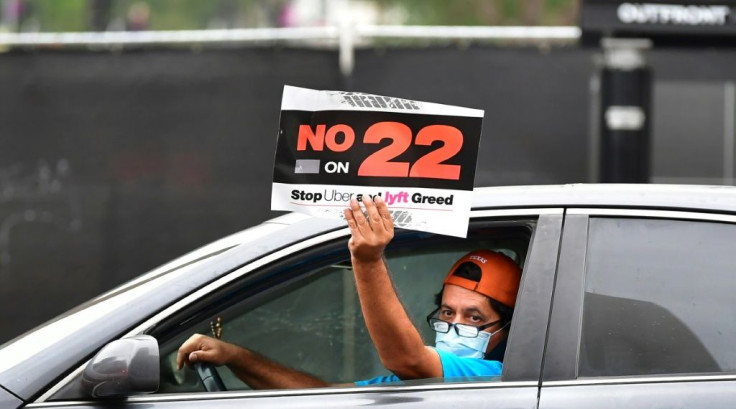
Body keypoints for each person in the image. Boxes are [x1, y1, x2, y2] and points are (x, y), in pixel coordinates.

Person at [176, 195, 522, 388]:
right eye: (447, 313)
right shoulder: (411, 382)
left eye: (473, 317)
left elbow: (408, 358)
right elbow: (320, 399)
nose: (453, 325)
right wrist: (236, 356)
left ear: (506, 331)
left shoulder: (493, 378)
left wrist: (368, 260)